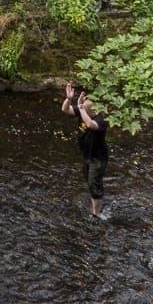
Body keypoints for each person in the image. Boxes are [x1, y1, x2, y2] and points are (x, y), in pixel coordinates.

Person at [61, 82, 110, 220]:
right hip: (87, 155)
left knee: (94, 183)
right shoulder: (84, 111)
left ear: (93, 111)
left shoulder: (101, 119)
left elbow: (90, 124)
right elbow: (65, 109)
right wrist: (69, 99)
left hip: (98, 158)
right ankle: (96, 203)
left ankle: (96, 214)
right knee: (89, 181)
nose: (83, 112)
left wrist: (82, 108)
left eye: (87, 111)